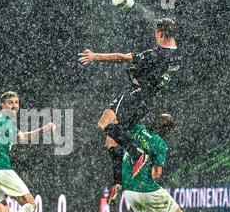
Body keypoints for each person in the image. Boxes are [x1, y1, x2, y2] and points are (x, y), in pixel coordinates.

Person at [78, 18, 182, 202]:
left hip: (136, 95)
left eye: (156, 34)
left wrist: (96, 56)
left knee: (104, 124)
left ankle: (136, 154)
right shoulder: (177, 56)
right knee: (112, 140)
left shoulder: (158, 54)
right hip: (146, 100)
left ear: (161, 34)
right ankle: (118, 183)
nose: (155, 37)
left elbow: (123, 57)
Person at [114, 113, 195, 212]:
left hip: (129, 190)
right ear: (168, 130)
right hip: (145, 189)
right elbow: (155, 174)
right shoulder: (160, 144)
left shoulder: (137, 129)